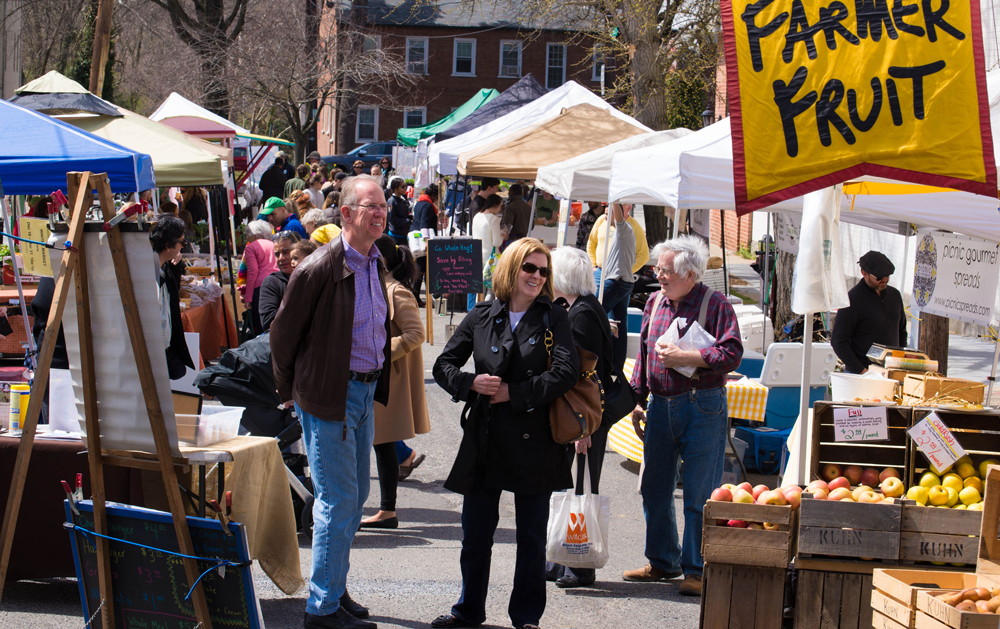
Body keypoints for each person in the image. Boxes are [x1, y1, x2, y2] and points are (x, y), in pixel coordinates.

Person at [431, 238, 579, 629]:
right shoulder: (482, 314)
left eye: (543, 271)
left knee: (531, 537)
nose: (537, 276)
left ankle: (527, 617)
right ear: (512, 269)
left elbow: (566, 372)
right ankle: (468, 610)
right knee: (475, 534)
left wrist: (516, 393)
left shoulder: (553, 316)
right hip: (486, 436)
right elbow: (443, 364)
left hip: (536, 438)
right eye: (529, 268)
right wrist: (470, 383)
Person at [271, 174, 390, 629]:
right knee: (337, 502)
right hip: (329, 396)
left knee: (354, 499)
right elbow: (282, 335)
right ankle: (322, 609)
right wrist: (291, 393)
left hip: (362, 393)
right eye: (370, 206)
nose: (379, 213)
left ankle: (333, 588)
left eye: (382, 206)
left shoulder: (375, 259)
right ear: (346, 213)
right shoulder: (318, 267)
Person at [625, 236, 743, 597]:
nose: (658, 276)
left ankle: (696, 569)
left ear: (690, 274)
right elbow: (645, 353)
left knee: (697, 491)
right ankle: (663, 560)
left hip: (701, 404)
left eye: (666, 271)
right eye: (657, 269)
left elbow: (732, 354)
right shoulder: (654, 302)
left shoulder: (715, 304)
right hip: (660, 405)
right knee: (654, 487)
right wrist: (637, 397)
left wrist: (687, 357)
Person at [546, 246, 615, 589]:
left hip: (583, 417)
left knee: (579, 488)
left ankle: (579, 565)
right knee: (570, 485)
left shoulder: (582, 314)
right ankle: (561, 560)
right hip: (580, 416)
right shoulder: (581, 308)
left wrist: (583, 428)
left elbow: (585, 377)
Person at [360, 236, 431, 529]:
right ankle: (386, 510)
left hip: (388, 378)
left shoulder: (396, 291)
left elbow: (416, 334)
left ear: (382, 260)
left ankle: (387, 510)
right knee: (382, 444)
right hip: (378, 376)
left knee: (383, 443)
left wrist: (378, 352)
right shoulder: (380, 285)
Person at [832, 250, 907, 373]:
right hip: (861, 372)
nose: (884, 279)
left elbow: (902, 331)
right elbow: (838, 340)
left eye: (887, 276)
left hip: (891, 370)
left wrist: (900, 361)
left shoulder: (895, 296)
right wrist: (862, 371)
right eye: (879, 277)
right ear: (864, 273)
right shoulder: (852, 299)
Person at [149, 215, 196, 380]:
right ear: (168, 245)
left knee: (178, 371)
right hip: (153, 347)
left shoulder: (164, 268)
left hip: (165, 344)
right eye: (182, 242)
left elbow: (174, 293)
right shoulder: (148, 272)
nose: (183, 247)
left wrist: (176, 267)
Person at [598, 203, 638, 368]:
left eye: (608, 213)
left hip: (616, 282)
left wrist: (614, 198)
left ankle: (596, 360)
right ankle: (617, 367)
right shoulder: (623, 231)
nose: (605, 217)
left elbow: (619, 214)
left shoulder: (623, 228)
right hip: (624, 283)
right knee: (619, 326)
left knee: (590, 315)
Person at [237, 220, 280, 335]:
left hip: (261, 288)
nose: (247, 238)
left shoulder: (251, 247)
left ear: (254, 236)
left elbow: (253, 272)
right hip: (278, 284)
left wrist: (248, 297)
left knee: (262, 325)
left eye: (247, 235)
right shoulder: (274, 244)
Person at [258, 231, 302, 332]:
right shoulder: (272, 283)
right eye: (277, 254)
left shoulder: (314, 277)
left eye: (286, 252)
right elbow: (268, 321)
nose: (281, 258)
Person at [471, 194, 504, 301]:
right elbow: (497, 242)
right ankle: (488, 309)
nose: (500, 209)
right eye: (500, 206)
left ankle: (478, 309)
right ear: (494, 205)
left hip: (477, 256)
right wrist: (502, 236)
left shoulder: (477, 216)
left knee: (479, 289)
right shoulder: (494, 219)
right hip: (491, 258)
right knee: (490, 289)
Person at [411, 183, 439, 303]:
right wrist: (427, 241)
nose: (437, 199)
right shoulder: (427, 205)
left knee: (421, 268)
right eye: (436, 196)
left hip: (418, 239)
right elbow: (424, 223)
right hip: (424, 241)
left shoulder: (419, 203)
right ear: (433, 195)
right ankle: (418, 297)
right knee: (423, 268)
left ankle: (421, 297)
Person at [387, 179, 412, 246]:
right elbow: (392, 219)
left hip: (404, 236)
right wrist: (407, 221)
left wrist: (411, 218)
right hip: (395, 237)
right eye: (403, 187)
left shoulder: (403, 200)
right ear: (395, 188)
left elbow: (404, 215)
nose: (405, 188)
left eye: (406, 186)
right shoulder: (391, 201)